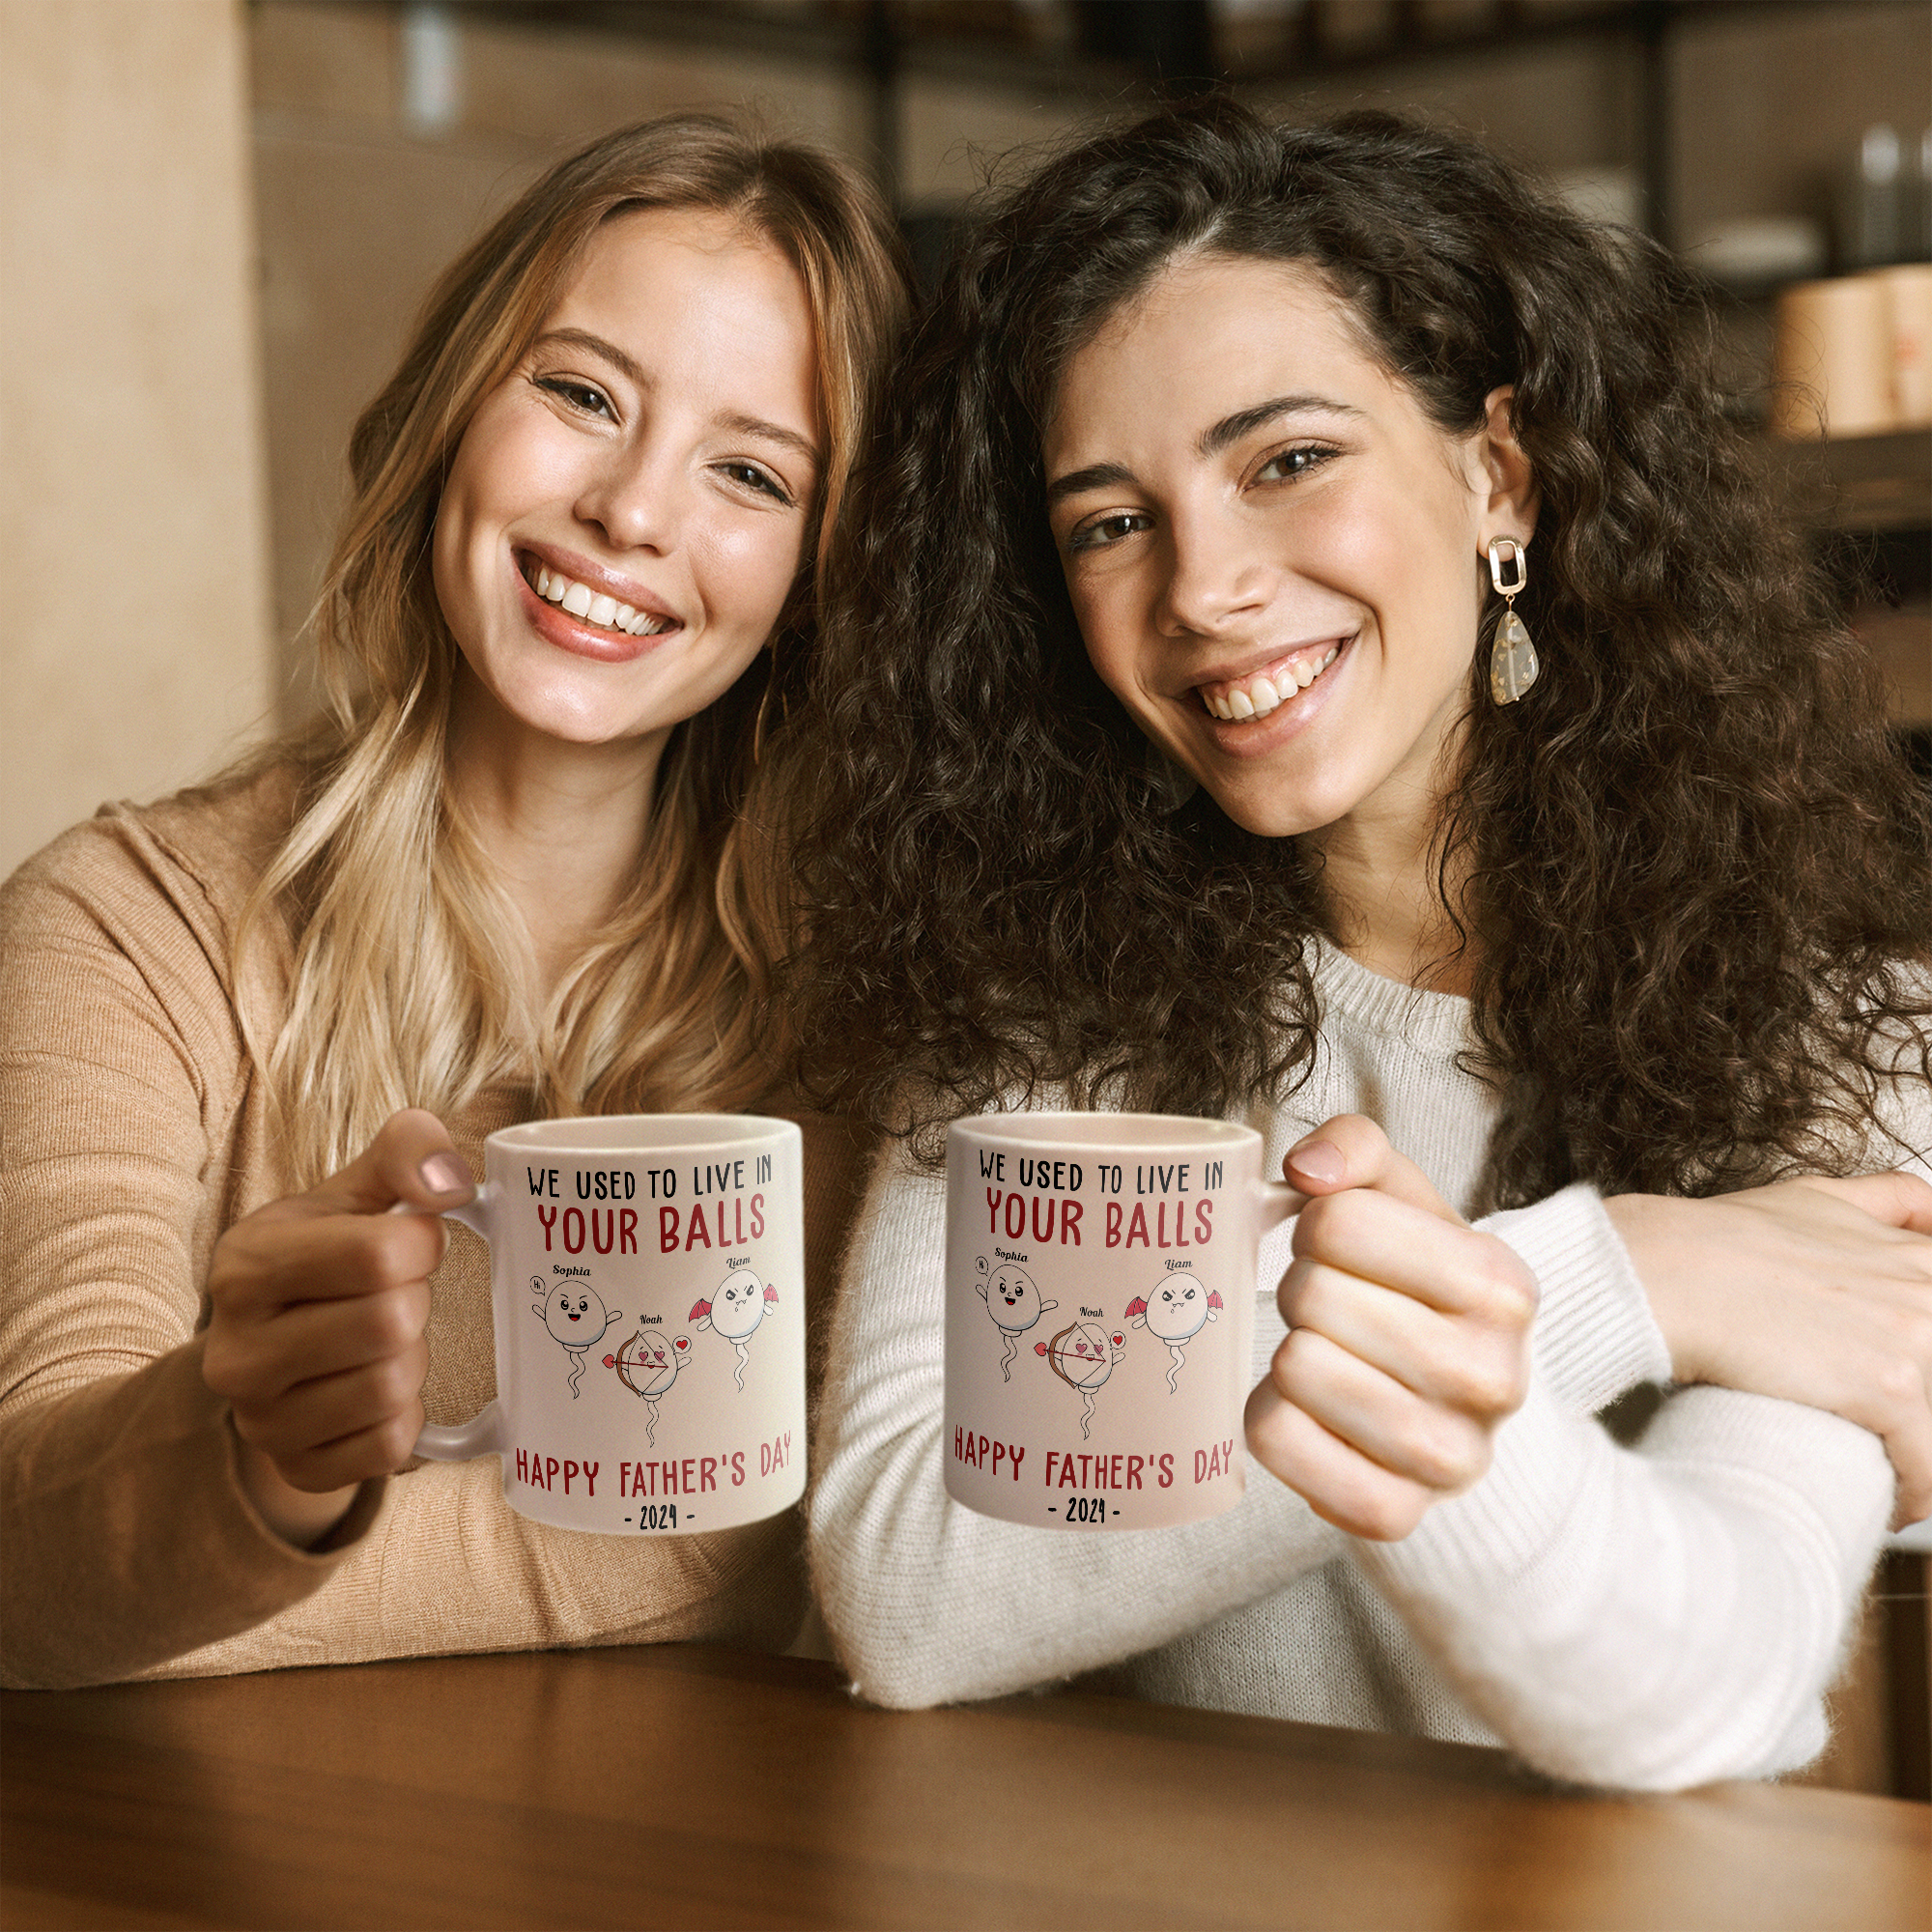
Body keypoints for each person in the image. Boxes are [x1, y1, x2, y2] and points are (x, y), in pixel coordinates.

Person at [791, 101, 1932, 1790]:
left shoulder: (1845, 1021)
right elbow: (905, 1590)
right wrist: (1617, 1278)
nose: (1203, 586)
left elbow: (1702, 1684)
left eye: (1286, 461)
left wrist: (1481, 1307)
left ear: (1499, 477)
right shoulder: (1041, 1008)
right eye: (1111, 521)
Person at [0, 115, 908, 1689]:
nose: (633, 510)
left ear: (819, 573)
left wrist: (228, 1573)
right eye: (579, 394)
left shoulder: (864, 1005)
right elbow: (31, 1556)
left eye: (750, 472)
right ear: (448, 417)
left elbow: (782, 1517)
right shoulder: (123, 927)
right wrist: (259, 1465)